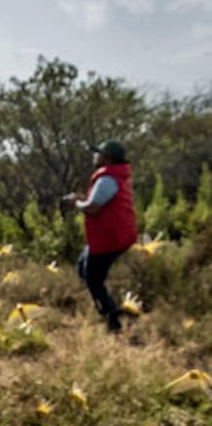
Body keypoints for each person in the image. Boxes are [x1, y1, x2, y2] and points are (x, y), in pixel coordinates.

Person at [64, 140, 138, 332]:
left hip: (109, 239)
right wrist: (81, 200)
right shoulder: (115, 177)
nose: (95, 157)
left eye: (98, 154)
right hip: (113, 235)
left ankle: (112, 319)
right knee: (83, 268)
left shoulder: (107, 179)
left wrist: (76, 204)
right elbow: (97, 203)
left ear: (106, 158)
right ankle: (112, 310)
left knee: (93, 279)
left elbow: (93, 208)